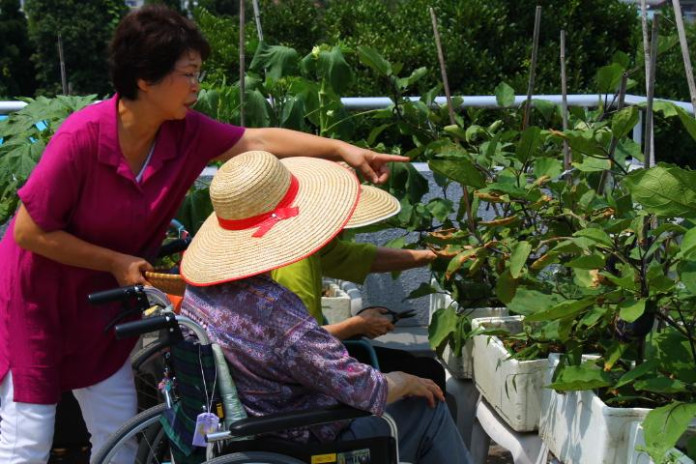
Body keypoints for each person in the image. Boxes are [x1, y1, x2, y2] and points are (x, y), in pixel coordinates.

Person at [0, 6, 407, 463]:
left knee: (116, 425)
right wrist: (114, 261)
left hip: (106, 300)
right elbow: (30, 233)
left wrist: (341, 148)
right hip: (40, 298)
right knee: (30, 433)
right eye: (188, 73)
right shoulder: (82, 138)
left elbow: (257, 141)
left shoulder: (182, 133)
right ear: (144, 78)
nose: (197, 85)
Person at [179, 151, 471, 463]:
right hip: (301, 437)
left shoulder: (201, 291)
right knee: (427, 407)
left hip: (249, 424)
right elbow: (359, 387)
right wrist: (404, 381)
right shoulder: (273, 307)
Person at [270, 186, 447, 392]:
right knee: (428, 372)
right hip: (304, 374)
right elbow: (302, 343)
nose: (345, 228)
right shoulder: (295, 265)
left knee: (414, 365)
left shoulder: (304, 243)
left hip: (307, 360)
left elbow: (362, 258)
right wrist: (357, 325)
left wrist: (433, 255)